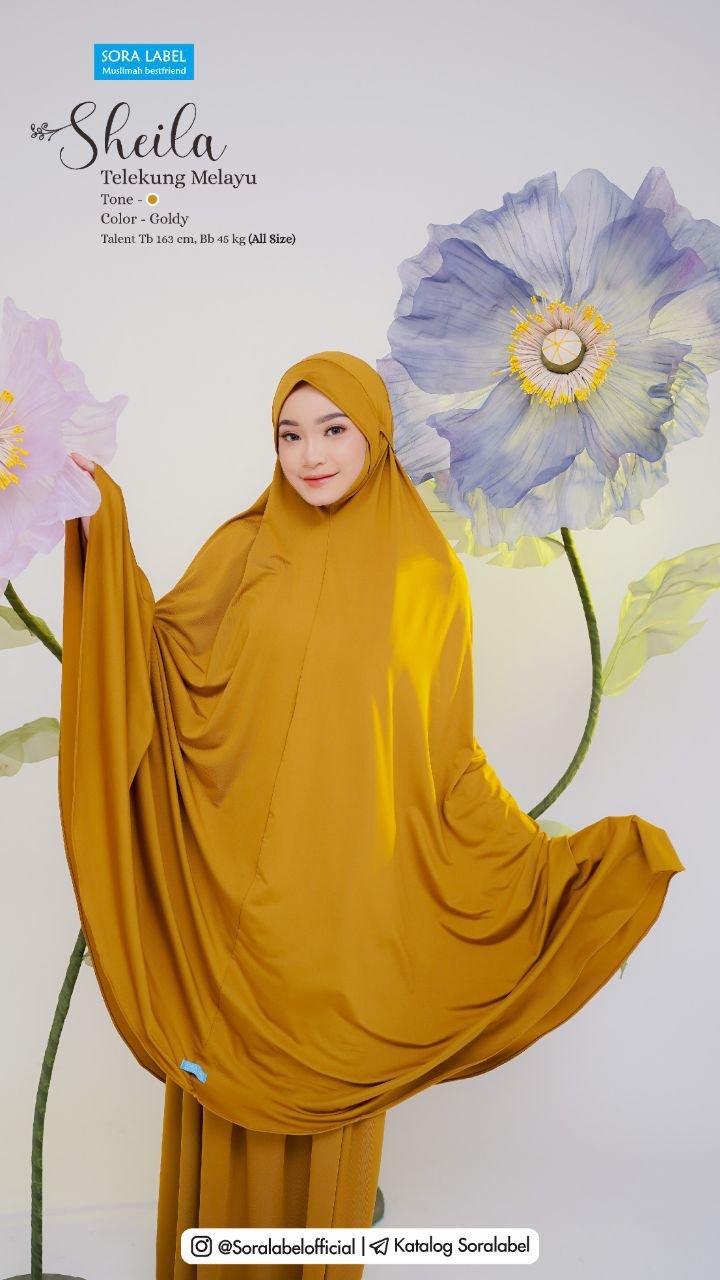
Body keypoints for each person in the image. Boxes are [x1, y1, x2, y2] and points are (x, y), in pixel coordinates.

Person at [61, 351, 685, 1279]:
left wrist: (542, 873)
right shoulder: (241, 549)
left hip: (347, 918)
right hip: (232, 919)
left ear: (376, 435)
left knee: (329, 1118)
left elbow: (446, 758)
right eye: (290, 434)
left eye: (333, 430)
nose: (310, 455)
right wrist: (102, 529)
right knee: (221, 1096)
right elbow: (156, 670)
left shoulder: (425, 573)